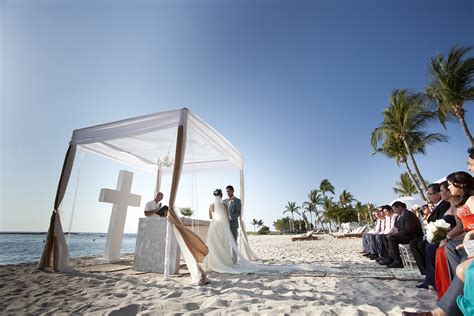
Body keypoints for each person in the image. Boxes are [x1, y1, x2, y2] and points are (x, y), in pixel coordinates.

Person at [203, 189, 319, 274]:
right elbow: (227, 215)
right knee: (223, 243)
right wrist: (226, 222)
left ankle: (215, 262)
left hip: (214, 226)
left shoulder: (211, 205)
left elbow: (209, 217)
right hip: (223, 226)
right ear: (222, 195)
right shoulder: (223, 204)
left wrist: (217, 219)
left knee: (214, 243)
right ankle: (224, 261)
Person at [410, 183, 450, 281]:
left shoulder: (445, 205)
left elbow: (441, 222)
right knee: (413, 244)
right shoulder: (438, 205)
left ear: (438, 194)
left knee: (422, 245)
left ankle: (432, 276)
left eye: (430, 193)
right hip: (434, 233)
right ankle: (426, 273)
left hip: (440, 234)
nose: (428, 196)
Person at [381, 201, 423, 268]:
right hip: (405, 235)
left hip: (412, 236)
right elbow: (395, 227)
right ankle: (390, 258)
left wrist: (395, 235)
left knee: (392, 238)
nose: (394, 211)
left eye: (395, 209)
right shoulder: (399, 216)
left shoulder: (408, 214)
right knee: (385, 237)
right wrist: (390, 233)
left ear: (400, 207)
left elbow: (408, 230)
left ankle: (398, 261)